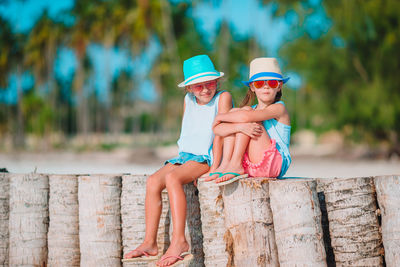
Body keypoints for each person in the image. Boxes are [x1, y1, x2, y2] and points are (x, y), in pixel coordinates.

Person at [123, 54, 232, 266]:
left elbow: (221, 134)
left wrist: (215, 167)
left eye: (209, 83)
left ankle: (180, 241)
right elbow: (188, 130)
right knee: (153, 181)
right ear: (189, 88)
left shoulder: (223, 97)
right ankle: (149, 243)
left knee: (173, 179)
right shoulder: (187, 100)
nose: (204, 90)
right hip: (185, 156)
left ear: (217, 82)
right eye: (197, 86)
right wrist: (181, 160)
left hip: (206, 157)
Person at [206, 57, 291, 184]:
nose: (266, 87)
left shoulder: (279, 108)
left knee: (246, 114)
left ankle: (235, 164)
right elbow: (218, 129)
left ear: (279, 86)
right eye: (259, 83)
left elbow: (245, 118)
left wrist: (219, 117)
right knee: (240, 112)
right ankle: (227, 164)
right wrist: (238, 127)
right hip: (250, 164)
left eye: (272, 83)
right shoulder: (249, 111)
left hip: (274, 165)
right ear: (252, 87)